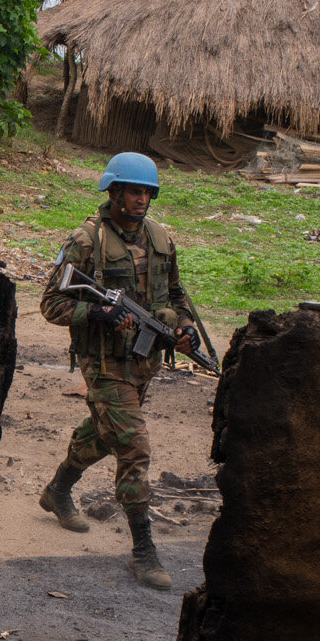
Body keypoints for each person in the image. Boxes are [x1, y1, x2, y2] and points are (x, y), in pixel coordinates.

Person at [38, 152, 198, 590]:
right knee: (133, 447)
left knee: (104, 433)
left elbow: (179, 295)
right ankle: (143, 549)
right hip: (104, 364)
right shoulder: (86, 241)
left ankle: (57, 489)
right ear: (114, 192)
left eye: (147, 192)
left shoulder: (160, 238)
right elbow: (50, 303)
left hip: (142, 362)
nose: (141, 199)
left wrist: (185, 330)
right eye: (133, 191)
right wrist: (98, 313)